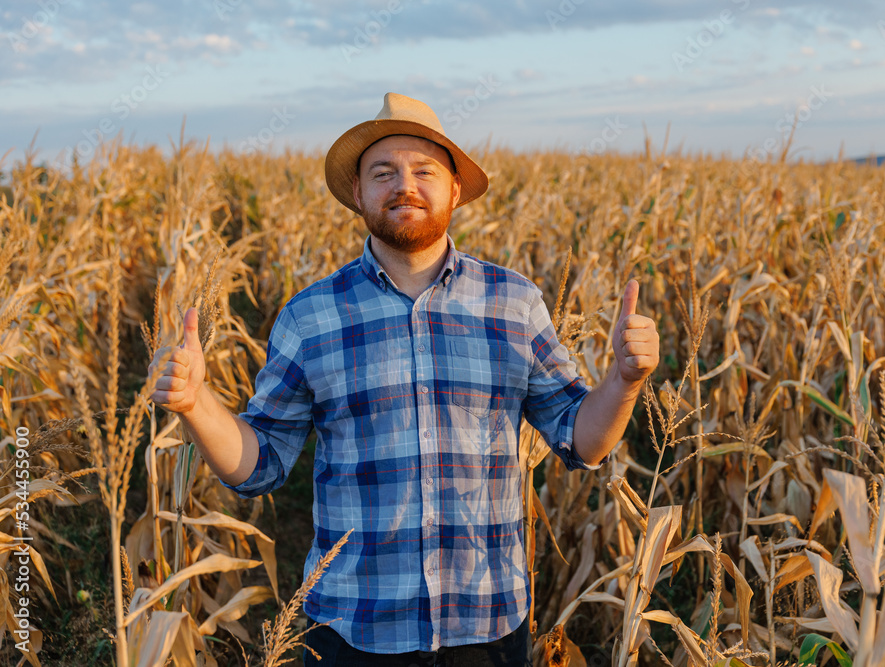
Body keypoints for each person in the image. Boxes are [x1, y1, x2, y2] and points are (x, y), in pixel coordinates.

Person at [148, 92, 660, 666]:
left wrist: (625, 379)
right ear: (359, 194)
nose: (405, 186)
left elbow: (580, 439)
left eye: (424, 171)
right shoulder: (311, 316)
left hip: (486, 623)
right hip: (353, 629)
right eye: (383, 173)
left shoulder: (512, 303)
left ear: (454, 189)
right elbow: (260, 463)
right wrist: (194, 403)